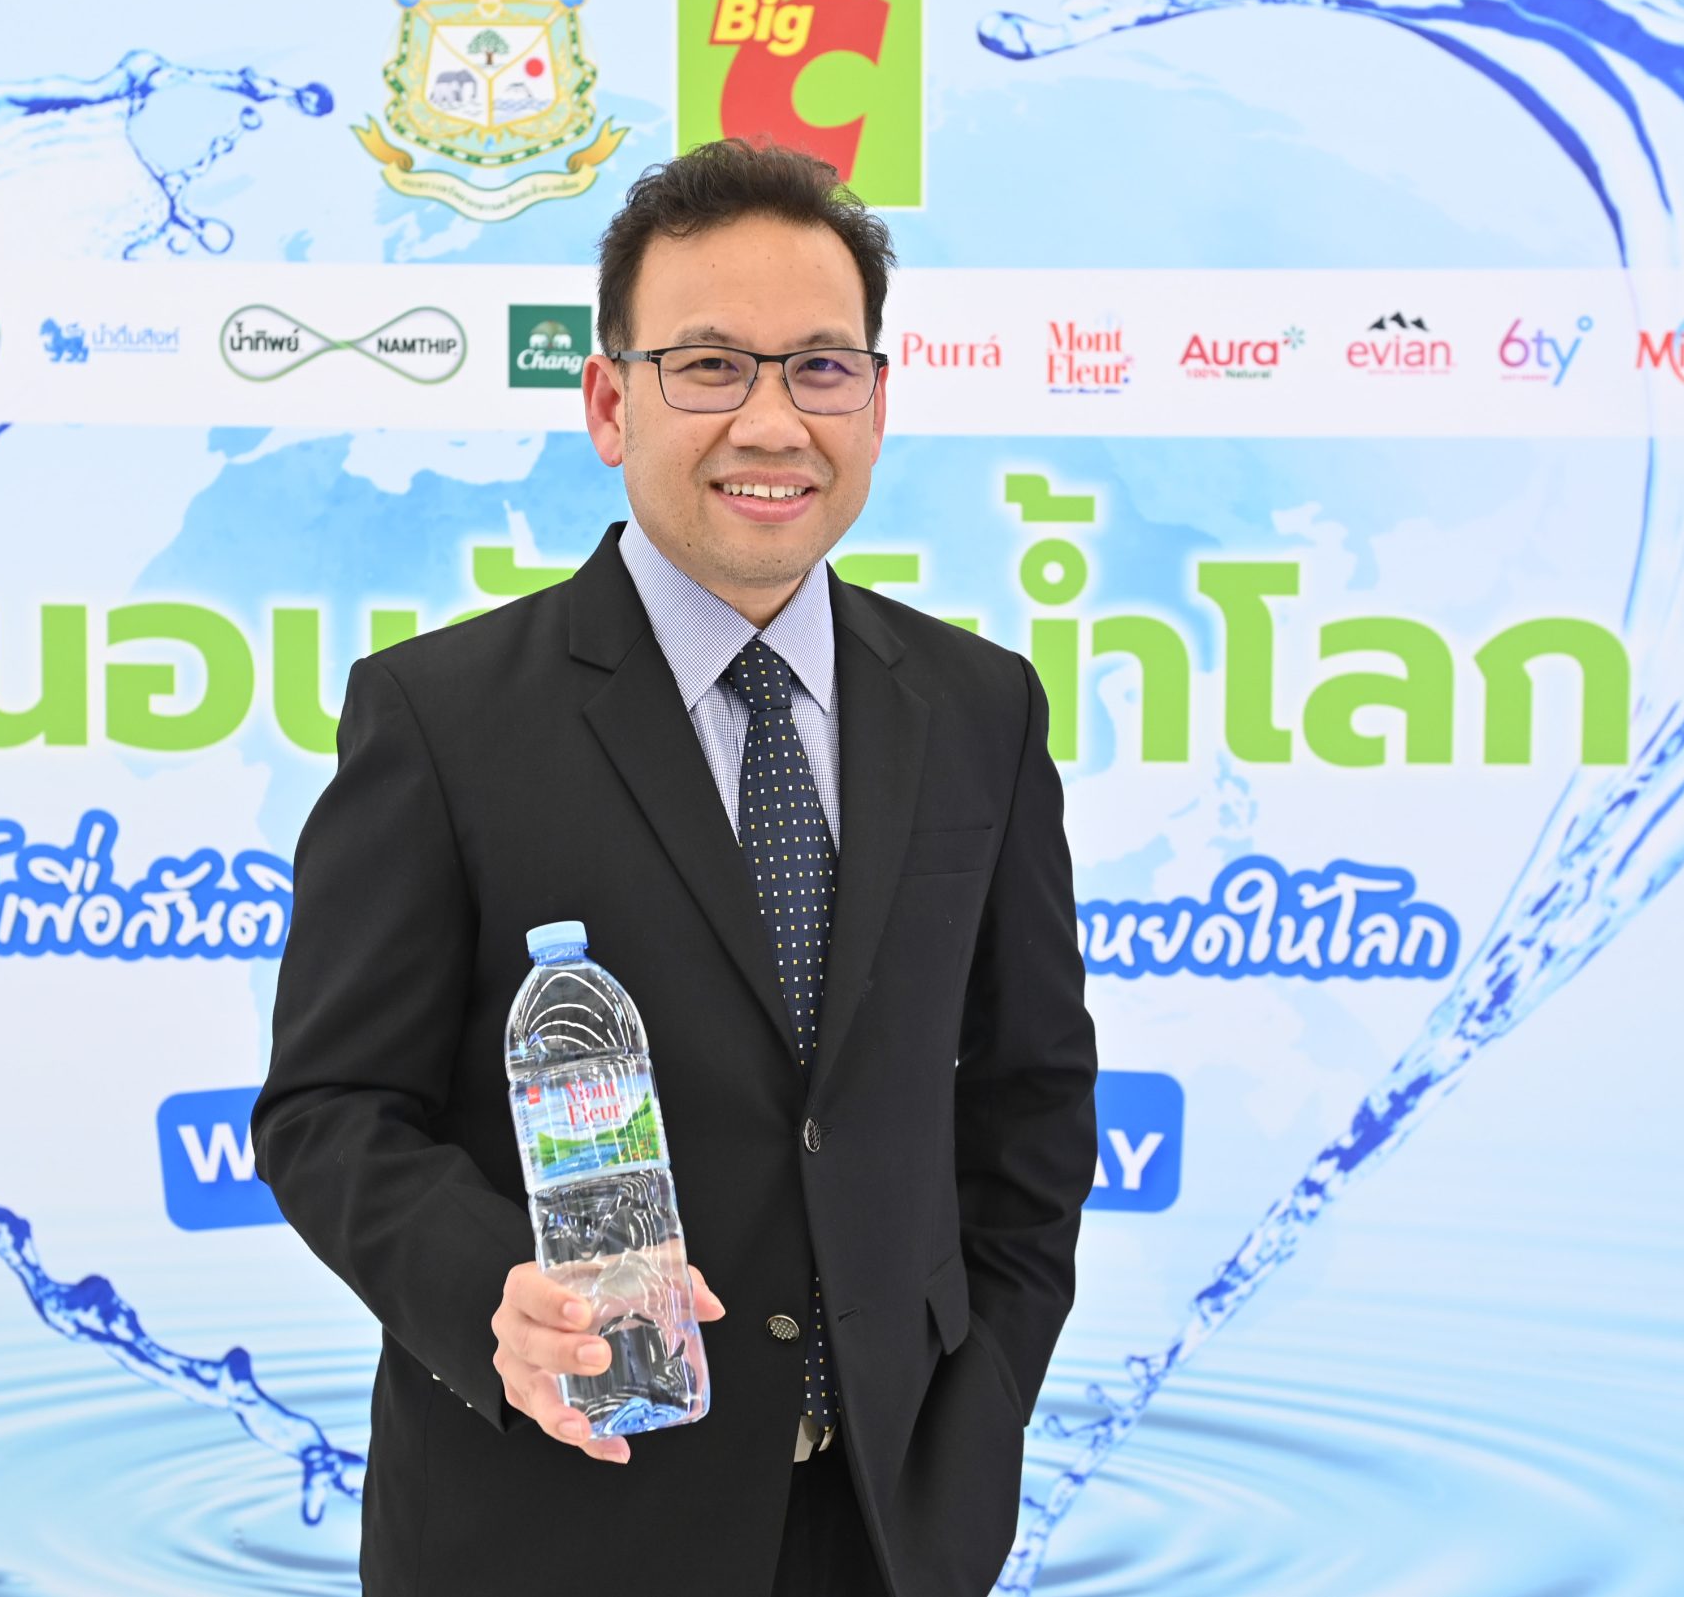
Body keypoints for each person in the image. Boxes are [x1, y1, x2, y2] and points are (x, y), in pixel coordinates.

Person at [254, 138, 1098, 1597]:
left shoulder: (980, 710)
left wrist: (982, 1414)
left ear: (877, 404)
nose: (773, 421)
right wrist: (494, 1298)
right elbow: (329, 1111)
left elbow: (1030, 1099)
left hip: (889, 1528)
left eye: (820, 368)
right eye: (709, 366)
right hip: (558, 1522)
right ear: (609, 401)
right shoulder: (443, 720)